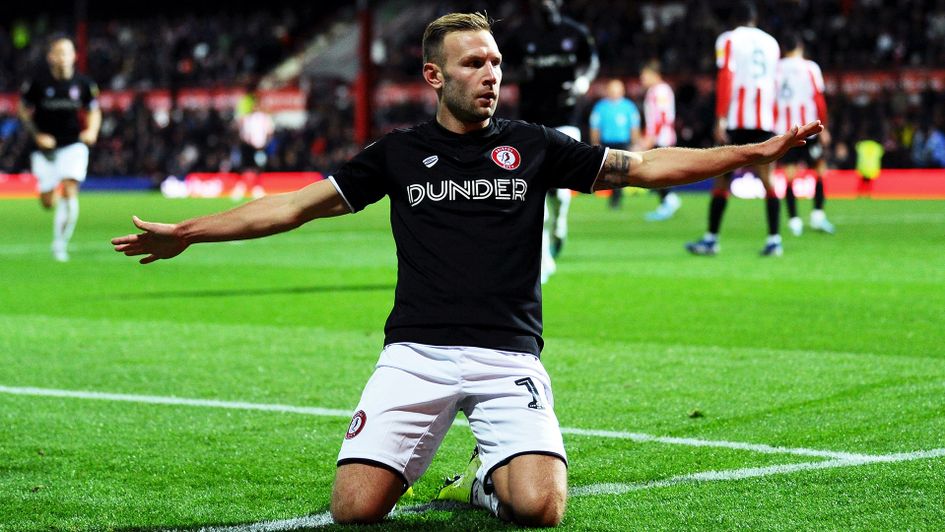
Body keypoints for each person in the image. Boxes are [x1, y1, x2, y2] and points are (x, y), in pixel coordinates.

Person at [111, 12, 821, 527]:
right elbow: (292, 207)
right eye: (473, 63)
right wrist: (190, 233)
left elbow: (645, 167)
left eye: (494, 63)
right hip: (413, 355)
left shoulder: (535, 145)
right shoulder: (395, 153)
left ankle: (483, 480)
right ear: (434, 74)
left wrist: (752, 154)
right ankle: (463, 470)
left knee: (540, 508)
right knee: (353, 511)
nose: (489, 75)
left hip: (506, 353)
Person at [501, 0, 599, 282]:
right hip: (530, 122)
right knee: (534, 190)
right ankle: (543, 258)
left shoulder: (575, 32)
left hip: (566, 119)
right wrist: (516, 75)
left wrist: (582, 81)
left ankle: (560, 224)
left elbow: (591, 61)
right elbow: (498, 66)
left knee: (559, 192)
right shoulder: (520, 35)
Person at [686, 1, 783, 257]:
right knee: (768, 180)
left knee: (722, 178)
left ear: (734, 20)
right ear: (755, 18)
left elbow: (726, 77)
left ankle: (711, 239)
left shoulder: (729, 39)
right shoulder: (772, 43)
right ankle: (774, 240)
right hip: (764, 119)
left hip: (737, 119)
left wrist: (720, 117)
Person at [18, 36, 101, 262]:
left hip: (73, 145)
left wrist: (92, 131)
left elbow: (94, 110)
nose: (63, 58)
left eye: (68, 53)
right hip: (45, 150)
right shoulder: (38, 83)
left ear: (74, 56)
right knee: (47, 203)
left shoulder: (84, 84)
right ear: (51, 57)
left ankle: (59, 244)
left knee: (69, 188)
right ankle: (52, 193)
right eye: (59, 53)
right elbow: (23, 109)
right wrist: (37, 135)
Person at [774, 33, 835, 235]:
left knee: (789, 175)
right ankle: (818, 216)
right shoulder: (810, 68)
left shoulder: (776, 68)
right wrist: (823, 125)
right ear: (800, 46)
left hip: (786, 130)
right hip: (809, 129)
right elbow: (818, 99)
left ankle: (794, 221)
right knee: (819, 168)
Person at [638, 59, 682, 221]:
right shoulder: (656, 90)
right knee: (657, 172)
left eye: (644, 75)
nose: (641, 79)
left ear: (653, 74)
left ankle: (669, 200)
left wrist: (650, 137)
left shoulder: (660, 90)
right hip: (659, 136)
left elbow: (661, 117)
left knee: (659, 172)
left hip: (662, 138)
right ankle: (667, 201)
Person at [588, 78, 641, 209]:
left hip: (623, 143)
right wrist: (595, 143)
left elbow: (634, 126)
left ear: (622, 91)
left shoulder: (629, 106)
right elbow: (595, 126)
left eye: (617, 89)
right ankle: (611, 195)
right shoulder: (600, 107)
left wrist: (635, 143)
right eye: (612, 89)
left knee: (619, 173)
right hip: (606, 143)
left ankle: (616, 199)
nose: (614, 92)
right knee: (609, 173)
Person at [232, 93, 274, 201]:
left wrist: (265, 144)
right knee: (245, 167)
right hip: (249, 146)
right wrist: (248, 143)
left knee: (259, 168)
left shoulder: (265, 118)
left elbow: (270, 133)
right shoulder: (248, 118)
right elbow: (244, 133)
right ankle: (241, 187)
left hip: (261, 147)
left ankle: (257, 187)